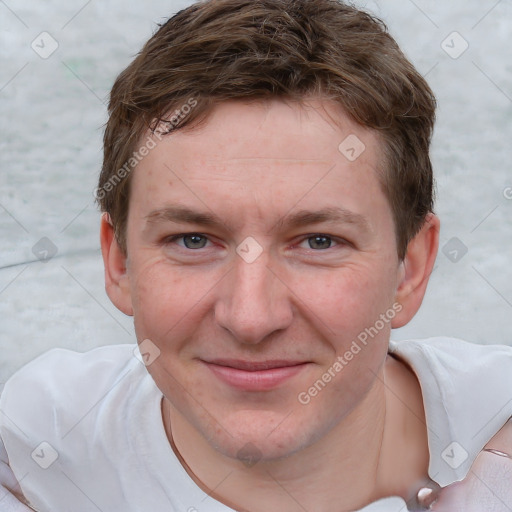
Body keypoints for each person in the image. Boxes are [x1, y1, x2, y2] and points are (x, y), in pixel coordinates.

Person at [1, 0, 511, 510]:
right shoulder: (41, 447)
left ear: (411, 269)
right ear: (119, 263)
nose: (251, 318)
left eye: (319, 241)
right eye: (192, 240)